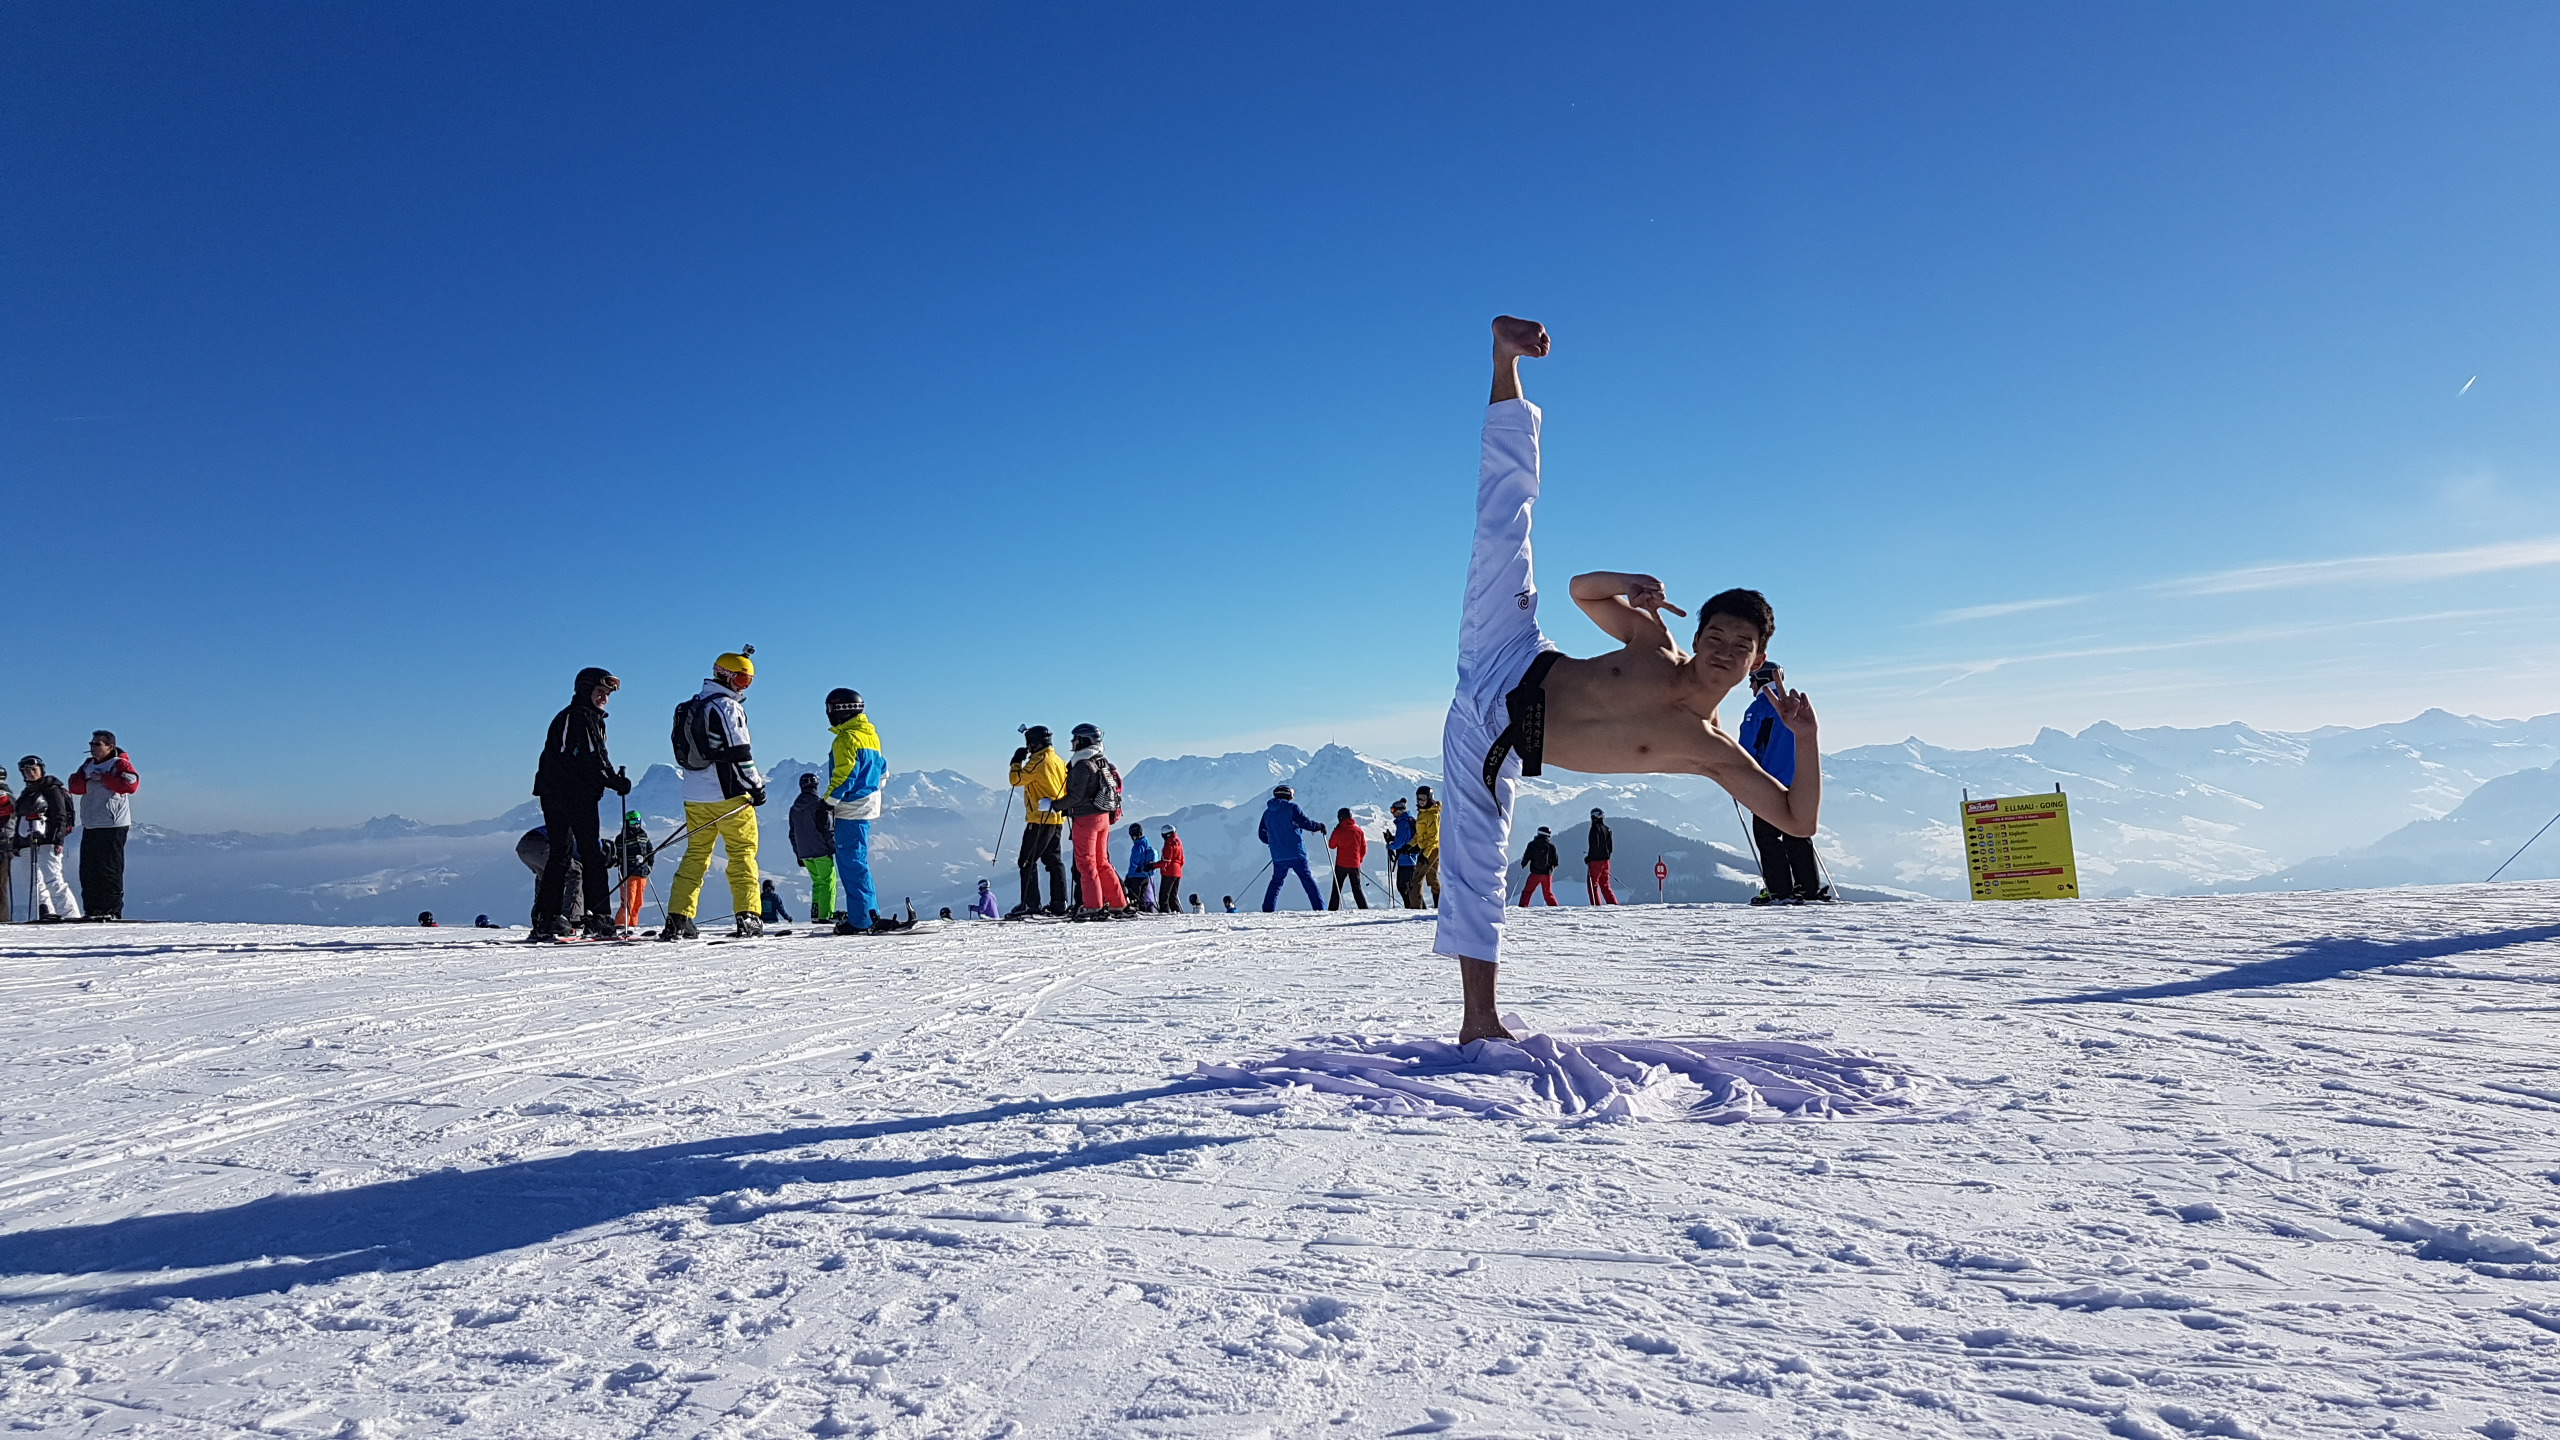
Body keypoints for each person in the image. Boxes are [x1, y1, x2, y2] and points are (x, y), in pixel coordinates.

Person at [1437, 317, 1820, 1042]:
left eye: (1740, 647)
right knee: (1504, 524)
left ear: (1755, 662)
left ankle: (1478, 1020)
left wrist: (1807, 739)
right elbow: (1581, 590)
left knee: (1476, 867)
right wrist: (1633, 584)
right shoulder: (1656, 644)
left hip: (1491, 741)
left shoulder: (1711, 750)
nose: (1722, 651)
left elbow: (1797, 821)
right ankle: (1504, 360)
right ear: (1696, 634)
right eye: (1715, 636)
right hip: (1511, 653)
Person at [664, 649, 769, 939]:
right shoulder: (727, 707)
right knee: (742, 854)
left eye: (748, 681)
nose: (744, 687)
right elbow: (740, 752)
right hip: (729, 795)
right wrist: (756, 787)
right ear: (724, 676)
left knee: (696, 854)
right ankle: (748, 916)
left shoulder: (690, 706)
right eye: (742, 680)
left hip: (694, 795)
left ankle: (678, 917)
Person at [531, 667, 631, 942]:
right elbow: (593, 756)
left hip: (552, 793)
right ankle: (599, 918)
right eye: (600, 692)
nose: (604, 698)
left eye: (607, 694)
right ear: (585, 691)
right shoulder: (582, 717)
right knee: (592, 854)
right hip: (576, 794)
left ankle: (547, 918)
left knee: (560, 856)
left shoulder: (568, 716)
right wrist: (615, 781)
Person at [1741, 662, 1829, 904]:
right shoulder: (1795, 707)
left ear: (1761, 679)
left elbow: (1746, 749)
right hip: (1800, 781)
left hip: (1769, 782)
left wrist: (1739, 777)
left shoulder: (1758, 709)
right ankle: (1809, 889)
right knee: (1798, 833)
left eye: (1752, 680)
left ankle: (1780, 891)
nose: (1750, 685)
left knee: (1768, 837)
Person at [824, 688, 889, 933]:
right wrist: (870, 789)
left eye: (830, 709)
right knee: (857, 860)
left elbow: (845, 775)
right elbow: (883, 770)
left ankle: (861, 919)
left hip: (851, 807)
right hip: (866, 802)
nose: (828, 714)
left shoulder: (846, 739)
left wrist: (828, 802)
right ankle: (869, 913)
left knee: (851, 862)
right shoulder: (870, 736)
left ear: (842, 710)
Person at [69, 731, 140, 921]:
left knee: (109, 868)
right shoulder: (87, 765)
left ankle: (112, 909)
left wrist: (105, 778)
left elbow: (131, 786)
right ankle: (92, 909)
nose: (93, 748)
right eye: (92, 744)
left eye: (98, 744)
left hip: (113, 823)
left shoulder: (119, 764)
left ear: (110, 747)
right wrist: (87, 779)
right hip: (91, 823)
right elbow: (74, 786)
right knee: (89, 869)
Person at [1063, 723, 1128, 918]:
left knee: (1086, 863)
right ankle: (1118, 903)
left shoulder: (1082, 764)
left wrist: (1054, 805)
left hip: (1086, 819)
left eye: (1075, 738)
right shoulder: (1102, 761)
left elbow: (1076, 796)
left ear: (1084, 740)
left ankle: (1093, 906)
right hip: (1103, 817)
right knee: (1102, 862)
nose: (1072, 742)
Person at [1008, 726, 1069, 916]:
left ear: (1035, 743)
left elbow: (1016, 780)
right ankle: (1059, 902)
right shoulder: (1058, 760)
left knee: (1026, 861)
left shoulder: (1038, 761)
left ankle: (1030, 904)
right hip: (1057, 817)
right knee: (1054, 861)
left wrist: (1016, 761)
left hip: (1040, 819)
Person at [11, 757, 79, 921]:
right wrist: (17, 843)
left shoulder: (52, 789)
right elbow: (19, 819)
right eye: (26, 770)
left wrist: (58, 840)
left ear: (42, 769)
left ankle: (70, 914)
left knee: (53, 879)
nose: (30, 772)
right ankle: (44, 911)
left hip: (48, 841)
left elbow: (60, 815)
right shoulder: (26, 793)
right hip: (26, 842)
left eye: (33, 769)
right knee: (33, 882)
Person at [1257, 784, 1326, 911]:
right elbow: (1305, 823)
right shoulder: (1292, 808)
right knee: (1307, 880)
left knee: (1276, 882)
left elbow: (1262, 834)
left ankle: (1267, 910)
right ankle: (1319, 908)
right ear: (1288, 795)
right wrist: (1318, 826)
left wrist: (1274, 843)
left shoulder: (1267, 813)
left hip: (1278, 855)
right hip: (1296, 853)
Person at [787, 772, 838, 923]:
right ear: (816, 786)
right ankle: (826, 915)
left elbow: (792, 834)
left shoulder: (794, 809)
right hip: (821, 850)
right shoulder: (820, 806)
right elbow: (827, 828)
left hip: (804, 853)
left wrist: (798, 854)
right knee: (828, 882)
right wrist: (834, 848)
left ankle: (816, 914)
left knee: (817, 883)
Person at [611, 811, 654, 930]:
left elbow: (650, 852)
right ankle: (621, 924)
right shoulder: (622, 838)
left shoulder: (643, 836)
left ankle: (632, 925)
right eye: (633, 822)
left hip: (642, 873)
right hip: (628, 873)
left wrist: (649, 867)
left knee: (638, 902)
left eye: (638, 821)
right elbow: (617, 855)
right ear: (627, 823)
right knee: (628, 900)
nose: (635, 825)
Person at [1323, 807, 1371, 909]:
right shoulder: (1359, 831)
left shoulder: (1339, 831)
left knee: (1337, 889)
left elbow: (1331, 845)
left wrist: (1335, 830)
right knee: (1357, 889)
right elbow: (1364, 849)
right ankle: (1364, 909)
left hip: (1341, 864)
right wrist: (1359, 861)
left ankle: (1332, 910)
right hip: (1355, 865)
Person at [1387, 798, 1423, 908]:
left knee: (1403, 887)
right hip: (1410, 858)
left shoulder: (1403, 822)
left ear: (1399, 810)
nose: (1392, 813)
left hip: (1407, 859)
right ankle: (1416, 906)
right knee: (1409, 887)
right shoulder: (1408, 820)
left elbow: (1400, 842)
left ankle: (1411, 907)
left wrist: (1390, 845)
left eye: (1393, 810)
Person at [1414, 784, 1442, 908]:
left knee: (1416, 879)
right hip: (1428, 849)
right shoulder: (1423, 813)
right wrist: (1410, 845)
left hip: (1431, 850)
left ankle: (1415, 907)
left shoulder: (1432, 815)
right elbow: (1419, 834)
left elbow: (1433, 838)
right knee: (1432, 878)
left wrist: (1425, 854)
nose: (1421, 801)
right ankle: (1439, 905)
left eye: (1424, 798)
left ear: (1430, 798)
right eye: (1419, 798)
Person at [1584, 806, 1619, 904]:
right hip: (1606, 861)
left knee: (1593, 885)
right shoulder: (1608, 829)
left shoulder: (1594, 828)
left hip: (1595, 861)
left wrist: (1589, 858)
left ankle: (1596, 905)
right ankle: (1613, 904)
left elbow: (1594, 845)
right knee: (1605, 885)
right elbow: (1610, 847)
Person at [1519, 826, 1560, 906]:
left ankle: (1523, 906)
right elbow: (1555, 861)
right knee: (1548, 894)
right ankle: (1555, 908)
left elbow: (1526, 857)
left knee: (1527, 891)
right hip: (1547, 874)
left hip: (1535, 873)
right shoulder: (1551, 846)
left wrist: (1524, 863)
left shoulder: (1532, 844)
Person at [1122, 822, 1158, 913]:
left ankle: (1135, 912)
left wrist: (1129, 876)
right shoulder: (1147, 844)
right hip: (1146, 876)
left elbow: (1134, 863)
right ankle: (1143, 912)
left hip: (1136, 876)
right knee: (1142, 897)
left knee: (1134, 897)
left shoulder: (1137, 847)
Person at [1156, 825, 1185, 915]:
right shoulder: (1178, 842)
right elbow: (1182, 860)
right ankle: (1177, 912)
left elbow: (1166, 861)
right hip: (1178, 872)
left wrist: (1152, 865)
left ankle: (1164, 913)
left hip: (1169, 872)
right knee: (1173, 896)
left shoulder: (1169, 844)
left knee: (1164, 896)